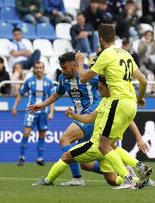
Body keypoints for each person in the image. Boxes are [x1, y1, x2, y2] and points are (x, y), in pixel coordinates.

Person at [32, 75, 151, 189]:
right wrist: (74, 115)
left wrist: (139, 138)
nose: (98, 89)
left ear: (109, 86)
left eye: (101, 87)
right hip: (108, 149)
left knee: (66, 156)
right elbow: (90, 118)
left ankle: (47, 180)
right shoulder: (105, 101)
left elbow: (130, 120)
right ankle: (139, 180)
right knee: (112, 180)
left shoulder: (115, 105)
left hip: (96, 146)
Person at [75, 23, 151, 189]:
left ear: (100, 38)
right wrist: (140, 98)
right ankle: (141, 168)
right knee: (110, 144)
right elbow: (144, 80)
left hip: (117, 101)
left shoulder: (106, 54)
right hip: (131, 104)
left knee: (103, 145)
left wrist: (80, 62)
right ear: (114, 37)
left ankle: (127, 178)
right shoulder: (126, 54)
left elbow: (83, 78)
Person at [27, 52, 101, 186]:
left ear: (74, 66)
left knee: (64, 139)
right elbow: (57, 94)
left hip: (91, 115)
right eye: (61, 68)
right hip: (80, 117)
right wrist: (42, 105)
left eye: (65, 68)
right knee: (85, 163)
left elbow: (108, 83)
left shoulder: (88, 76)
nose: (63, 71)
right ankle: (122, 173)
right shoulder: (63, 78)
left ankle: (77, 178)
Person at [12, 61, 54, 166]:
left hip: (44, 112)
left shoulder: (49, 82)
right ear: (34, 69)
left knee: (42, 135)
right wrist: (14, 107)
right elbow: (21, 94)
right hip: (31, 111)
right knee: (26, 132)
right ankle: (21, 157)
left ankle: (40, 158)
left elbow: (52, 98)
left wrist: (51, 112)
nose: (39, 69)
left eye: (40, 67)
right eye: (37, 67)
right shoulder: (29, 81)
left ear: (43, 69)